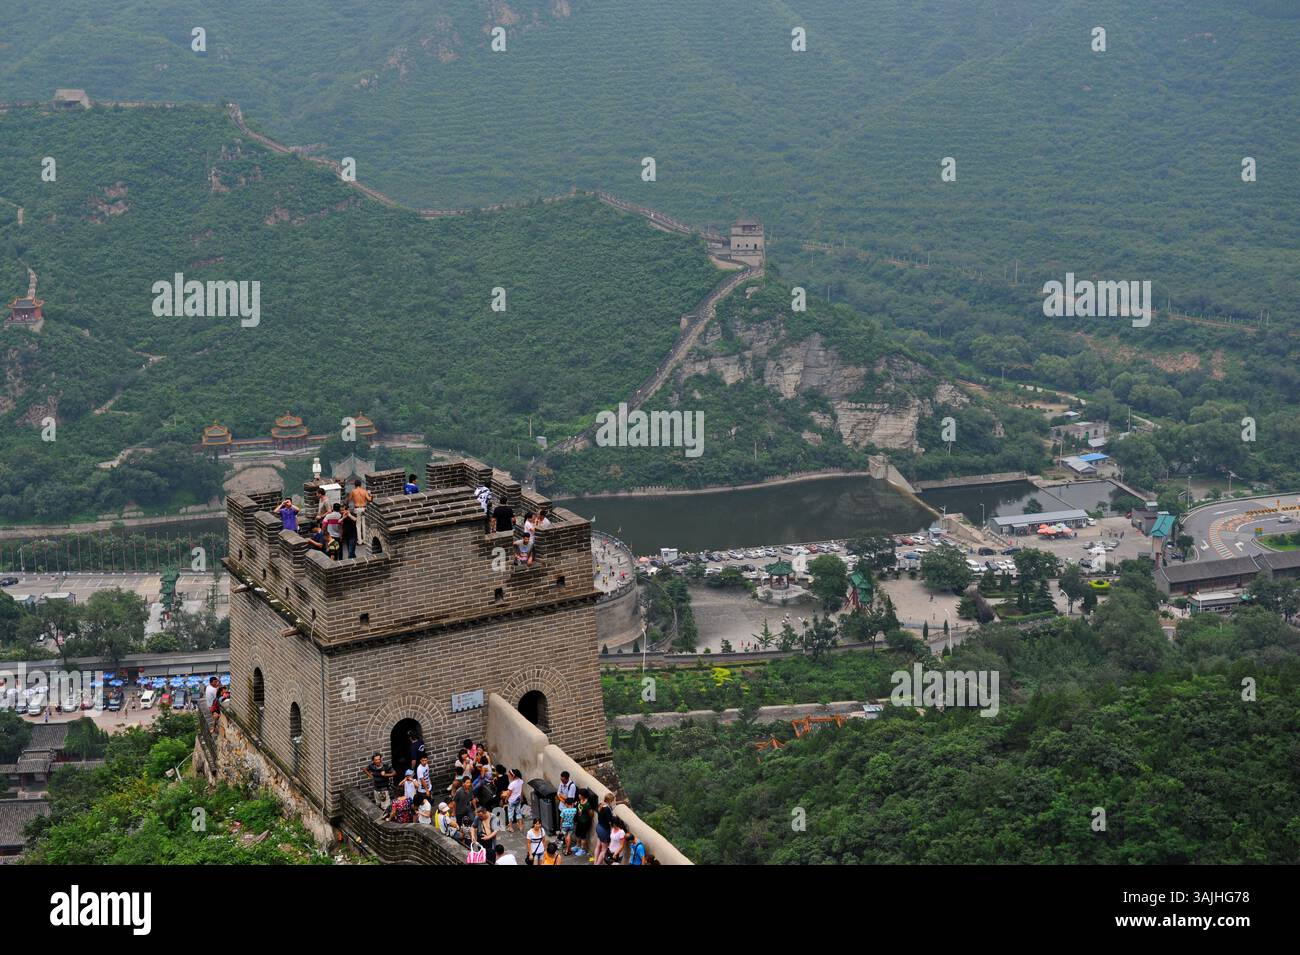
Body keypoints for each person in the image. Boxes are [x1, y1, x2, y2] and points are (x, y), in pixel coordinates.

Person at [594, 793, 615, 865]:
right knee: (604, 850)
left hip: (599, 827)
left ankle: (595, 863)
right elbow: (610, 821)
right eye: (613, 800)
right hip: (604, 830)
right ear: (610, 800)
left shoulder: (601, 805)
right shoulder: (607, 809)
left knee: (598, 846)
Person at [504, 768, 525, 833]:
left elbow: (509, 794)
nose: (508, 776)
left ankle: (510, 827)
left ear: (513, 776)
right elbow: (521, 790)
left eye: (509, 775)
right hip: (518, 799)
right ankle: (521, 826)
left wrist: (506, 799)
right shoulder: (521, 781)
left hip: (512, 801)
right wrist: (521, 797)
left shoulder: (511, 784)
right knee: (518, 812)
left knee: (510, 813)